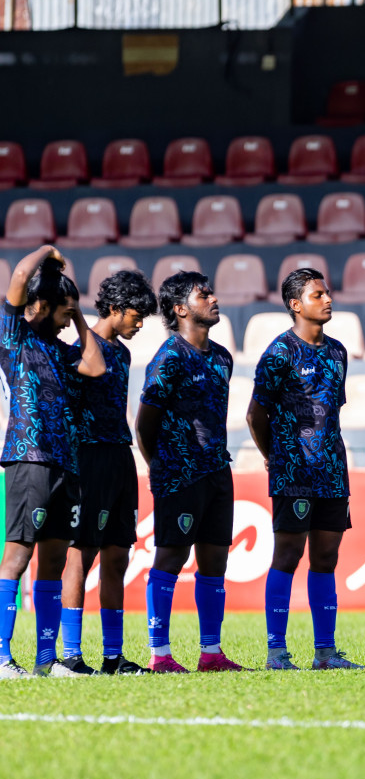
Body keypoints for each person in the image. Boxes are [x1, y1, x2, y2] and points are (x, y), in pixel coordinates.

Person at [248, 267, 365, 671]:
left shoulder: (338, 353)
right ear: (296, 305)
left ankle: (325, 653)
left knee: (327, 558)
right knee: (287, 554)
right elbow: (254, 415)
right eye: (318, 295)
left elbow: (332, 413)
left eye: (328, 292)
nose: (328, 299)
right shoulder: (279, 353)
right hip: (292, 472)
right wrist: (275, 456)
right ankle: (276, 652)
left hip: (333, 471)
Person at [0, 246, 105, 678]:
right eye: (64, 312)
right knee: (18, 556)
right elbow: (22, 274)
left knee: (54, 561)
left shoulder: (61, 349)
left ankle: (47, 660)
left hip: (67, 463)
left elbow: (96, 366)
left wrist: (77, 315)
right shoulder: (14, 334)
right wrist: (49, 253)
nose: (68, 321)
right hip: (30, 457)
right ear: (40, 306)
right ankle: (2, 657)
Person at [136, 271, 242, 673]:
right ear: (181, 309)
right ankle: (159, 654)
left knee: (215, 561)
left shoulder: (222, 358)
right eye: (204, 294)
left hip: (218, 471)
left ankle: (211, 653)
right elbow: (144, 424)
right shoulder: (170, 357)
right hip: (179, 475)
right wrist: (160, 469)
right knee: (171, 556)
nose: (213, 298)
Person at [58, 269, 156, 675]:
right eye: (135, 315)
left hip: (120, 457)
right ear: (114, 308)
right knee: (82, 554)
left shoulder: (125, 353)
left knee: (118, 556)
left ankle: (113, 656)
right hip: (89, 459)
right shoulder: (76, 351)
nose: (140, 323)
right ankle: (71, 656)